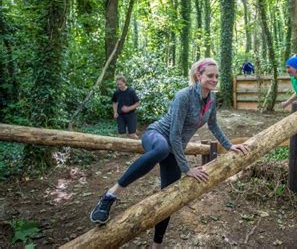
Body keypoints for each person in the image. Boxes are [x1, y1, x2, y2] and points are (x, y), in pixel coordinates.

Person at [90, 58, 249, 248]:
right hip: (156, 135)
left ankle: (157, 244)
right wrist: (187, 168)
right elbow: (173, 134)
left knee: (168, 196)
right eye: (210, 75)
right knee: (162, 148)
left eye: (216, 76)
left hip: (174, 148)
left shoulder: (212, 99)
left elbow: (213, 125)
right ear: (198, 76)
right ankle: (110, 196)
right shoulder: (184, 96)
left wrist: (229, 145)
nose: (214, 79)